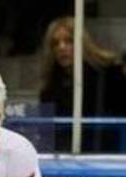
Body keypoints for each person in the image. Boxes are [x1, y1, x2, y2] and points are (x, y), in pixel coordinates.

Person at [39, 16, 126, 152]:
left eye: (69, 41)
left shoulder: (108, 75)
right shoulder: (50, 87)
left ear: (82, 43)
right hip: (66, 156)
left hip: (109, 154)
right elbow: (47, 133)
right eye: (55, 43)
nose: (61, 47)